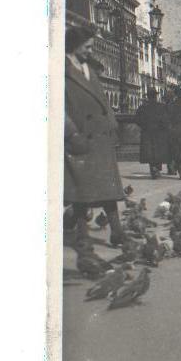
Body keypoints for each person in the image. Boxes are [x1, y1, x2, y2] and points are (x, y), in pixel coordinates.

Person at [64, 24, 126, 247]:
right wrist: (72, 135)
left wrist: (112, 124)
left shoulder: (90, 68)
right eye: (87, 47)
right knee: (82, 191)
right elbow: (57, 109)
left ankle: (118, 232)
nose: (90, 51)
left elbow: (103, 101)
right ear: (74, 46)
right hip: (80, 138)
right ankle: (82, 234)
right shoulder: (61, 71)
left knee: (108, 189)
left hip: (101, 137)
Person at [134, 88, 170, 179]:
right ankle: (157, 169)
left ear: (148, 96)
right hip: (159, 133)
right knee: (158, 151)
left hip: (147, 132)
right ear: (155, 96)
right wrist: (163, 128)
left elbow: (137, 119)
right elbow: (165, 120)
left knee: (149, 152)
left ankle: (153, 169)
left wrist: (144, 125)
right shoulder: (161, 107)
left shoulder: (142, 107)